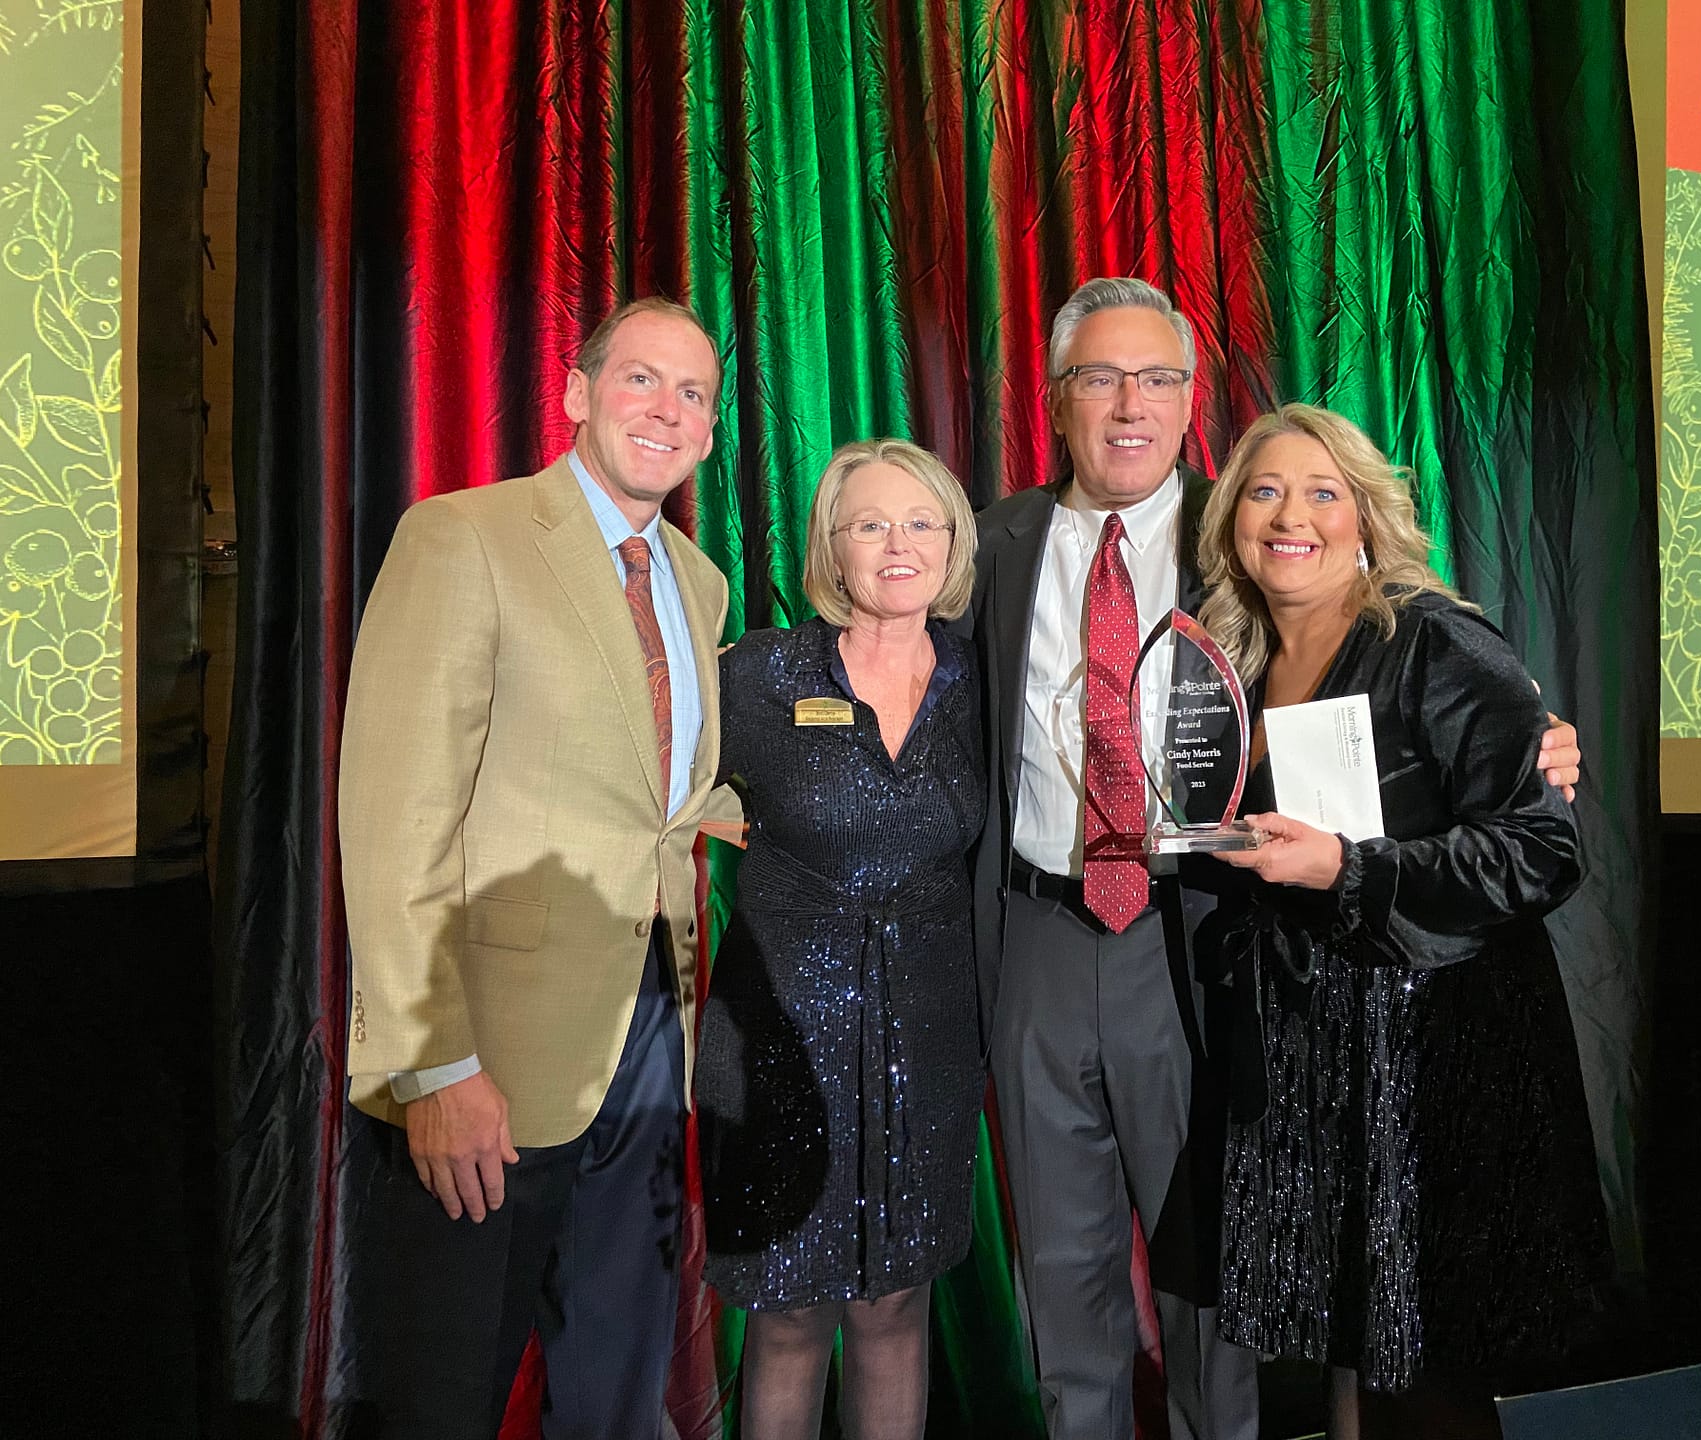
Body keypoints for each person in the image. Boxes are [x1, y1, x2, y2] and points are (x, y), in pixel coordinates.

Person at [953, 278, 1585, 1440]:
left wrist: (1531, 738)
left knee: (1223, 1280)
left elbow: (1410, 673)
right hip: (1039, 939)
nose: (1129, 403)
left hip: (1199, 948)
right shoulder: (989, 545)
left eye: (1157, 378)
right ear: (1057, 398)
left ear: (1191, 400)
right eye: (1100, 375)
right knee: (1063, 1270)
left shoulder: (1239, 544)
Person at [337, 297, 728, 1438]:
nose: (666, 409)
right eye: (641, 380)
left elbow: (660, 801)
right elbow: (395, 821)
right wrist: (435, 1064)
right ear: (575, 392)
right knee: (450, 1388)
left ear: (709, 431)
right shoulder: (465, 536)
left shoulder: (695, 582)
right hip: (488, 1059)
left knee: (614, 1378)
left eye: (692, 393)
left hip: (649, 1034)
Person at [1197, 405, 1609, 1439]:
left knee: (1428, 1374)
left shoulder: (1431, 637)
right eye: (1265, 491)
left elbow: (1541, 848)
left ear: (1368, 519)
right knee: (1358, 1350)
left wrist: (1345, 864)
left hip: (1441, 1063)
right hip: (1322, 1058)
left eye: (1323, 493)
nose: (1292, 515)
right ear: (1231, 522)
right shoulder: (1232, 670)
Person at [695, 439, 986, 1440]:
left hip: (931, 1041)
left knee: (897, 1306)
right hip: (781, 1045)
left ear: (953, 543)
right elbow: (645, 793)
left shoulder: (981, 686)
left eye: (920, 523)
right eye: (870, 523)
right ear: (833, 546)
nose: (897, 545)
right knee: (787, 1318)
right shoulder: (759, 675)